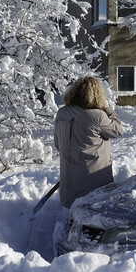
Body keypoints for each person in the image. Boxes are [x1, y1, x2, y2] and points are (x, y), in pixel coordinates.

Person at [54, 76, 124, 208]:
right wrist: (108, 109)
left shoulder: (62, 113)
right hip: (94, 182)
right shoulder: (97, 116)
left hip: (69, 179)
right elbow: (117, 130)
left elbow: (58, 143)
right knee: (93, 215)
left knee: (72, 213)